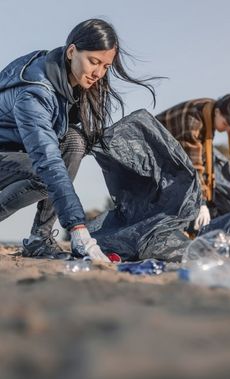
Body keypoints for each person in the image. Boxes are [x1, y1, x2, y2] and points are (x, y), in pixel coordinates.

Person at [0, 18, 156, 260]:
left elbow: (71, 143)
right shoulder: (35, 92)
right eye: (94, 62)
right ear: (72, 51)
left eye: (105, 67)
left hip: (17, 153)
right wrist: (77, 227)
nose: (98, 73)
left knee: (74, 140)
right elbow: (47, 159)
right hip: (7, 154)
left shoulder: (67, 82)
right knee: (47, 171)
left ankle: (39, 237)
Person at [156, 94, 230, 231]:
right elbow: (193, 166)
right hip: (155, 153)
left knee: (218, 165)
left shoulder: (210, 110)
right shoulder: (193, 122)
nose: (228, 129)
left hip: (174, 153)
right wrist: (201, 203)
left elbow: (204, 159)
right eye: (226, 123)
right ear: (217, 112)